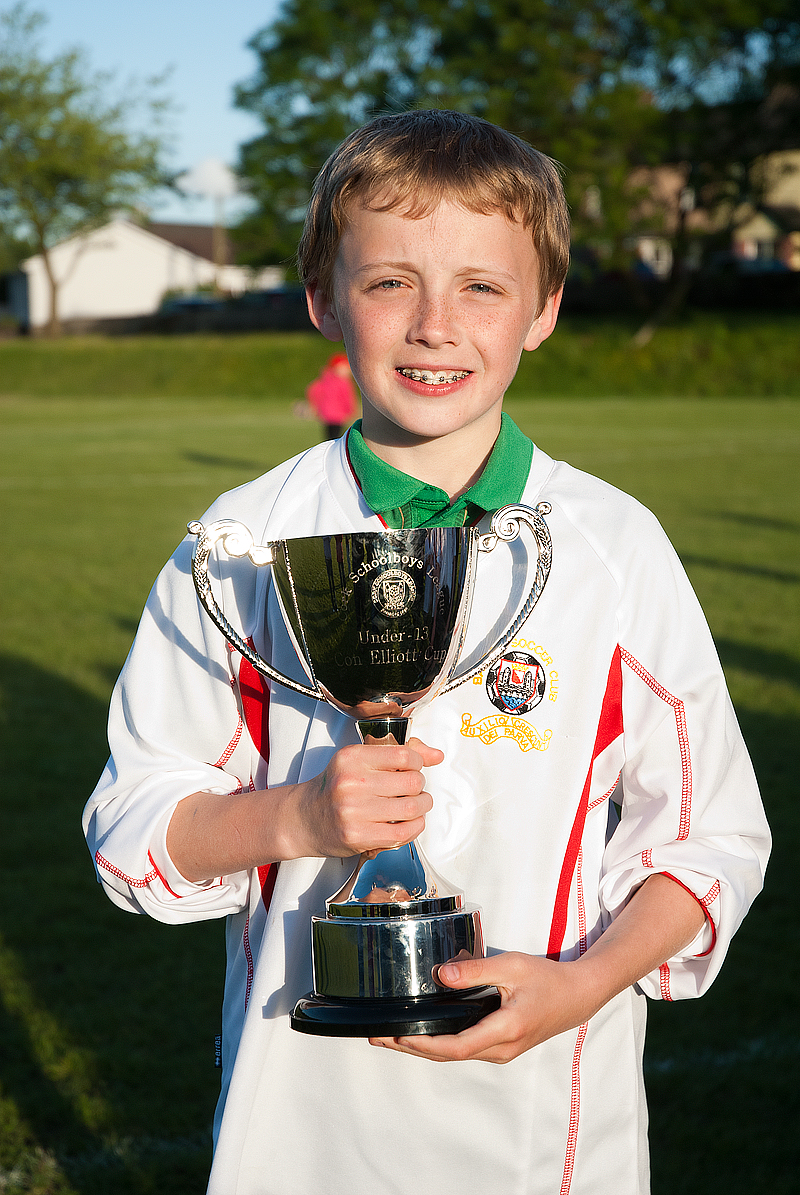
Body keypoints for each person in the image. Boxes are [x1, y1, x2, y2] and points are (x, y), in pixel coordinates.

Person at [83, 110, 770, 1195]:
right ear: (323, 300)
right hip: (296, 1129)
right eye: (390, 282)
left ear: (542, 310)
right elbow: (129, 829)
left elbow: (710, 837)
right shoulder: (244, 542)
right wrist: (297, 817)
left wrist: (583, 984)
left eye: (481, 288)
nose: (434, 325)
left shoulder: (611, 546)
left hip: (545, 1126)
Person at [305, 350, 358, 439]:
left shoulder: (325, 379)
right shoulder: (344, 382)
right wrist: (351, 410)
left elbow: (313, 390)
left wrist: (314, 404)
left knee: (329, 436)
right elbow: (347, 398)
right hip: (338, 414)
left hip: (326, 413)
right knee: (337, 436)